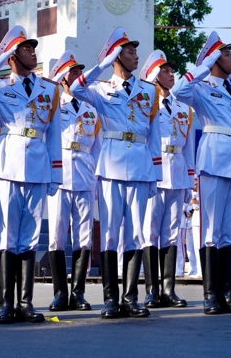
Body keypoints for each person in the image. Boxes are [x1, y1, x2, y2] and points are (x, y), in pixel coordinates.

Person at [0, 26, 62, 324]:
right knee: (8, 234)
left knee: (30, 236)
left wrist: (55, 172)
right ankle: (7, 303)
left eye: (33, 47)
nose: (33, 51)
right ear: (12, 55)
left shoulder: (50, 88)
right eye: (25, 48)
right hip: (8, 161)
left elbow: (54, 134)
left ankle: (25, 302)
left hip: (38, 162)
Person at [70, 27, 160, 320]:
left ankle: (131, 296)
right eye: (129, 51)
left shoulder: (149, 90)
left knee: (134, 233)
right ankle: (110, 298)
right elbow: (76, 89)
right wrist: (103, 64)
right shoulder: (100, 88)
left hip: (140, 164)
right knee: (109, 234)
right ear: (116, 56)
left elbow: (155, 134)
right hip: (110, 164)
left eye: (135, 51)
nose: (136, 56)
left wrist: (155, 173)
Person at [172, 31, 231, 315]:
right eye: (227, 54)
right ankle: (211, 294)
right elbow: (179, 90)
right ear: (213, 58)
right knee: (212, 230)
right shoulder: (202, 86)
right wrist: (205, 64)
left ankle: (230, 291)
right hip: (214, 159)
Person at [45, 50, 99, 313]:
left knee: (84, 237)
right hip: (60, 174)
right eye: (74, 72)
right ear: (63, 78)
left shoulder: (91, 110)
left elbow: (97, 148)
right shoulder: (55, 105)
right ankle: (59, 293)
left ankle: (78, 292)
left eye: (80, 72)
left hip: (85, 174)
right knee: (56, 237)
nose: (79, 76)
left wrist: (96, 179)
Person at [142, 49, 194, 308]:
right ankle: (151, 290)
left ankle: (168, 289)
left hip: (178, 173)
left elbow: (189, 148)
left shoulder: (183, 108)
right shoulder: (147, 104)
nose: (171, 74)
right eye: (165, 70)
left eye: (172, 71)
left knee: (172, 234)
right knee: (151, 233)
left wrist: (190, 180)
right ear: (153, 74)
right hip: (156, 171)